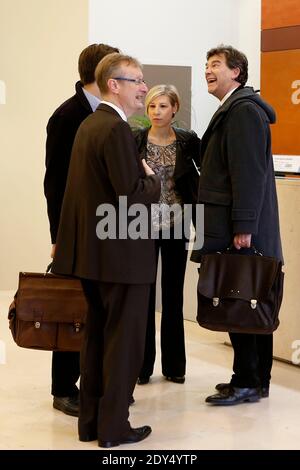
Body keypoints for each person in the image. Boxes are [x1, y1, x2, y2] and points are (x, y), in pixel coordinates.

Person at [52, 53, 161, 447]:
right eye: (137, 80)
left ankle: (92, 424)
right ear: (114, 84)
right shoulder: (114, 129)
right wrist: (152, 181)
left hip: (95, 256)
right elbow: (130, 197)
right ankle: (114, 429)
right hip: (121, 259)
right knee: (123, 345)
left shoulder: (89, 125)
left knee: (97, 340)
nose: (144, 88)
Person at [191, 45, 283, 405]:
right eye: (206, 64)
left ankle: (247, 380)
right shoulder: (236, 109)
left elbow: (249, 175)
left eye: (216, 65)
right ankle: (254, 379)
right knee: (248, 296)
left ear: (237, 72)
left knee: (240, 297)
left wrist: (243, 226)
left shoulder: (242, 111)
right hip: (234, 223)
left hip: (239, 227)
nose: (208, 70)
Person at [44, 43, 119, 417]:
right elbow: (54, 182)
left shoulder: (104, 114)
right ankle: (63, 387)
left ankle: (91, 380)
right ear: (104, 73)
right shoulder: (68, 115)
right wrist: (57, 235)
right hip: (74, 231)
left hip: (101, 231)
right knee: (71, 306)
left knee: (95, 309)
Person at [133, 85, 201, 385]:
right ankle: (142, 367)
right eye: (151, 107)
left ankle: (174, 367)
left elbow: (200, 180)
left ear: (174, 108)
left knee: (173, 296)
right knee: (144, 296)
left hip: (177, 224)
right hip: (143, 226)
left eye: (162, 106)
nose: (156, 112)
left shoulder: (188, 142)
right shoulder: (136, 140)